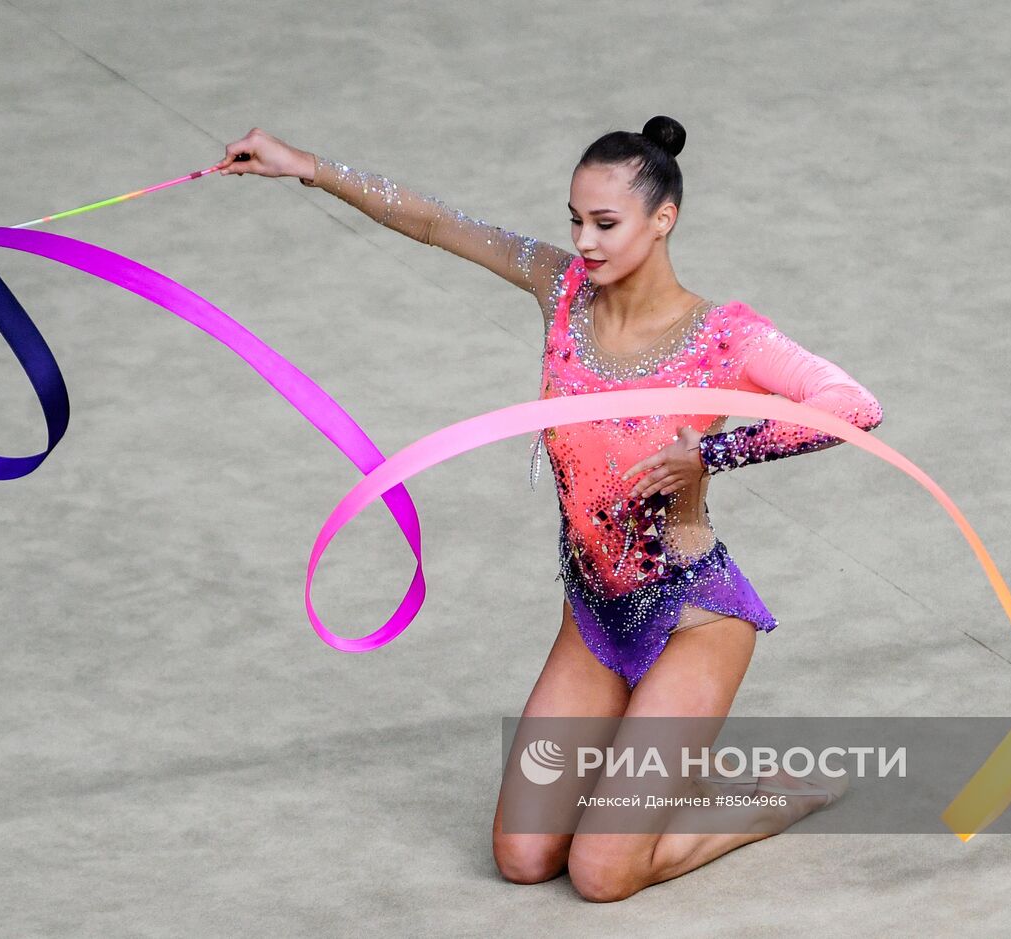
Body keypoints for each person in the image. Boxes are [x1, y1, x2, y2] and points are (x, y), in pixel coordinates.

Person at [217, 116, 884, 902]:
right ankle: (651, 770)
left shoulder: (722, 335)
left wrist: (711, 453)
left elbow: (855, 404)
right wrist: (304, 166)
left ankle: (768, 797)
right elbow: (433, 221)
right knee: (525, 855)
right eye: (575, 219)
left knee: (602, 874)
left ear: (662, 219)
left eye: (606, 223)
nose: (585, 239)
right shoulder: (561, 287)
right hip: (594, 615)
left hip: (693, 618)